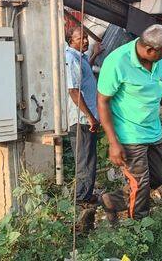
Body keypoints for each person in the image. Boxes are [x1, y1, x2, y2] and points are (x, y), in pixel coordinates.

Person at [97, 24, 162, 222]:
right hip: (128, 134)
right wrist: (113, 142)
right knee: (141, 182)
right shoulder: (117, 62)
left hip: (152, 131)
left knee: (157, 178)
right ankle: (139, 228)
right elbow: (102, 101)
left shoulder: (160, 59)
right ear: (149, 49)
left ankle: (112, 201)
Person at [64, 26, 101, 232]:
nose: (85, 41)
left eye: (86, 37)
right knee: (85, 159)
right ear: (71, 40)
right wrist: (89, 116)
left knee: (88, 157)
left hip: (86, 118)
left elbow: (85, 78)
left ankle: (85, 194)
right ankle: (81, 200)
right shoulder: (71, 58)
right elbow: (73, 90)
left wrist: (94, 55)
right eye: (81, 38)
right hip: (81, 119)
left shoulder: (80, 57)